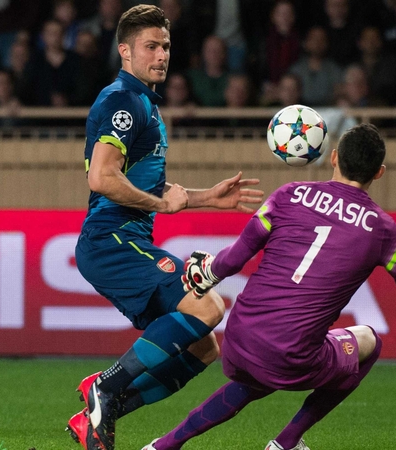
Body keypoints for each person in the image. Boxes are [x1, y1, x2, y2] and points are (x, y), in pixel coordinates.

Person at [142, 123, 396, 450]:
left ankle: (164, 444)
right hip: (291, 355)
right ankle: (287, 440)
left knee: (258, 378)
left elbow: (235, 257)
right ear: (380, 172)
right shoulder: (385, 234)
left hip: (239, 339)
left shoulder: (288, 195)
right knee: (369, 341)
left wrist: (207, 274)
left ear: (334, 156)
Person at [64, 6, 264, 450]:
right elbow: (101, 177)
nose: (161, 55)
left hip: (123, 239)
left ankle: (102, 413)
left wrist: (205, 198)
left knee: (203, 348)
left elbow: (144, 181)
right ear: (125, 51)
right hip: (110, 239)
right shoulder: (122, 101)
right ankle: (106, 387)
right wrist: (160, 205)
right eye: (150, 46)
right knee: (209, 306)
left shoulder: (143, 105)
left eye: (166, 46)